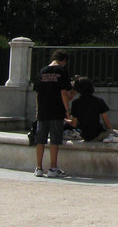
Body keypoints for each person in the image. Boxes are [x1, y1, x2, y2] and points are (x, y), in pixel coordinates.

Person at [34, 49, 71, 178]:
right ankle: (53, 168)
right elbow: (64, 93)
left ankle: (38, 168)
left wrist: (37, 110)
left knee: (40, 139)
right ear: (64, 60)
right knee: (55, 139)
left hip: (42, 110)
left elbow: (37, 93)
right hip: (56, 110)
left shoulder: (42, 71)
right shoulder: (62, 71)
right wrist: (67, 111)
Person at [68, 77, 114, 142]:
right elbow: (105, 120)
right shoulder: (99, 101)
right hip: (98, 133)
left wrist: (66, 120)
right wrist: (111, 132)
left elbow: (74, 124)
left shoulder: (75, 103)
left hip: (86, 136)